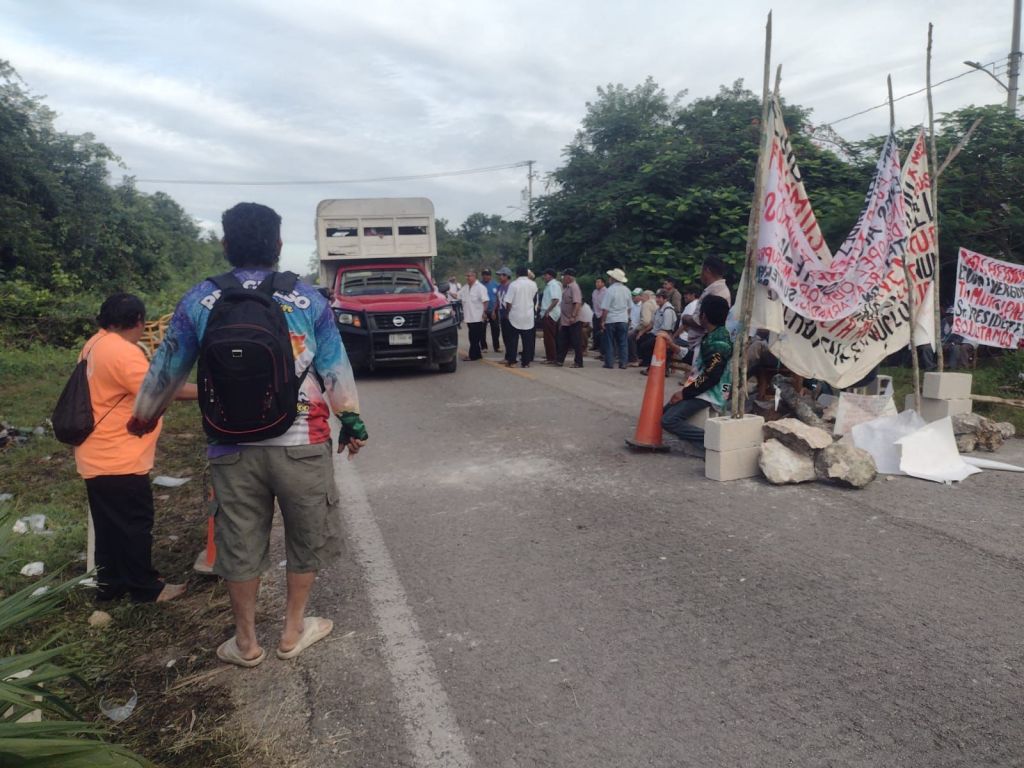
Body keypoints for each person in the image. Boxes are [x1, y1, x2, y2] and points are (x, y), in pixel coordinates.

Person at [129, 202, 367, 667]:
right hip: (302, 441)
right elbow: (335, 370)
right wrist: (352, 425)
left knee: (239, 541)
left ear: (225, 245)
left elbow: (166, 370)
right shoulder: (308, 299)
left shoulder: (200, 299)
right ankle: (293, 630)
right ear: (278, 246)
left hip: (230, 443)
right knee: (306, 535)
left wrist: (142, 417)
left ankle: (246, 643)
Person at [75, 294, 195, 604]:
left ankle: (111, 585)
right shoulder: (122, 352)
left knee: (109, 526)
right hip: (119, 456)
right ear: (139, 321)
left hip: (96, 453)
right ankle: (146, 588)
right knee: (134, 524)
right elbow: (160, 390)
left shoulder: (94, 343)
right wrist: (209, 391)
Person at [661, 295, 733, 448]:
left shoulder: (719, 341)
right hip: (700, 388)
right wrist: (673, 346)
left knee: (668, 420)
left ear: (704, 315)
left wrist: (685, 393)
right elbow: (697, 360)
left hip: (711, 392)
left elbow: (711, 376)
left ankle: (712, 440)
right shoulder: (712, 335)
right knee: (662, 413)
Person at [678, 256, 731, 346]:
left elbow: (703, 321)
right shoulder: (714, 289)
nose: (700, 273)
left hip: (704, 343)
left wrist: (686, 318)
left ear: (707, 270)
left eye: (701, 269)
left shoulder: (716, 292)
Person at [504, 265, 539, 367]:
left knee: (512, 341)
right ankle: (526, 363)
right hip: (528, 316)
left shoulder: (513, 285)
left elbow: (508, 302)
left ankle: (512, 361)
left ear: (517, 274)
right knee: (527, 341)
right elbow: (534, 299)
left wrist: (507, 313)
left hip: (515, 315)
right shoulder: (533, 284)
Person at [638, 290, 678, 370]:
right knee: (640, 340)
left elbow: (666, 329)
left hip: (663, 335)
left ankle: (652, 367)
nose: (657, 300)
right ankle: (647, 364)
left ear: (665, 299)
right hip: (655, 333)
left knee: (647, 345)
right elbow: (652, 323)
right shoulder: (659, 309)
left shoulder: (668, 311)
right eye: (657, 297)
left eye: (659, 298)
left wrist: (655, 337)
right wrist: (642, 332)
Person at [601, 268, 631, 369]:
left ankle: (609, 363)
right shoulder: (627, 290)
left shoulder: (610, 290)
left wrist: (603, 320)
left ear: (613, 279)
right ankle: (623, 363)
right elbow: (629, 307)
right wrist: (627, 318)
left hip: (611, 319)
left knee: (609, 342)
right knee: (623, 342)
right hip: (623, 319)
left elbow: (605, 308)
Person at [555, 268, 584, 367]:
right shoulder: (567, 287)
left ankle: (578, 362)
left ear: (569, 277)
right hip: (565, 320)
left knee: (576, 342)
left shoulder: (574, 287)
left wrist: (573, 316)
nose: (563, 278)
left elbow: (577, 303)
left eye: (564, 276)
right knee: (563, 340)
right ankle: (559, 360)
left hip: (573, 320)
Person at [459, 270, 489, 361]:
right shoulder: (465, 287)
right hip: (469, 316)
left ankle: (472, 355)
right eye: (467, 276)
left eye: (469, 276)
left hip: (477, 317)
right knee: (473, 337)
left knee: (474, 337)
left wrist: (484, 312)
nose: (468, 278)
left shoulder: (480, 287)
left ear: (474, 276)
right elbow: (457, 295)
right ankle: (477, 354)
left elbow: (485, 301)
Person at [539, 268, 563, 363]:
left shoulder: (553, 285)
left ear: (550, 275)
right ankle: (551, 356)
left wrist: (548, 311)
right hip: (550, 312)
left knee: (549, 337)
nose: (544, 277)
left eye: (545, 275)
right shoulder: (551, 285)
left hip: (550, 313)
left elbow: (556, 299)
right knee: (550, 336)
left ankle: (551, 358)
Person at [495, 267, 514, 362]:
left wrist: (508, 312)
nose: (500, 277)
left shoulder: (511, 286)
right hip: (502, 313)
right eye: (499, 275)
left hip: (509, 314)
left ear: (507, 276)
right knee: (505, 336)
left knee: (510, 336)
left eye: (502, 275)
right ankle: (508, 356)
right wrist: (495, 310)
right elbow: (498, 300)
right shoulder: (499, 286)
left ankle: (510, 356)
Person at [479, 268, 500, 353]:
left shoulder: (496, 285)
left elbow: (498, 298)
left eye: (487, 275)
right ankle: (484, 347)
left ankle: (496, 347)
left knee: (495, 329)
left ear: (490, 276)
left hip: (493, 311)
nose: (485, 276)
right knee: (482, 330)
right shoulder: (479, 285)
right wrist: (482, 311)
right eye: (484, 274)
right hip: (482, 311)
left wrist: (494, 310)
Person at [627, 287, 645, 365]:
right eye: (633, 295)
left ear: (641, 296)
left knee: (630, 336)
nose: (633, 297)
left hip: (638, 328)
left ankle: (634, 359)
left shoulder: (643, 306)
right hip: (630, 326)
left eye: (635, 295)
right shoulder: (630, 304)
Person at [590, 277, 607, 352]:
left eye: (599, 282)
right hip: (596, 312)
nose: (597, 284)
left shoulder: (606, 291)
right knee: (595, 330)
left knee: (601, 331)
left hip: (602, 313)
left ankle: (601, 347)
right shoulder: (594, 292)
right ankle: (595, 345)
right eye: (596, 282)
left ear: (603, 283)